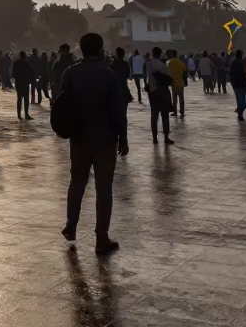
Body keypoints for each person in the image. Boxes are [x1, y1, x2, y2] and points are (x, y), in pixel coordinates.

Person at [61, 33, 129, 253]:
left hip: (79, 138)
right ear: (100, 49)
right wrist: (123, 137)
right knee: (103, 188)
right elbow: (117, 111)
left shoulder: (70, 73)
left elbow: (62, 102)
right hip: (104, 138)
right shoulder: (107, 75)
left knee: (77, 182)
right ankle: (101, 237)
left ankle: (71, 225)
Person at [145, 47, 174, 145]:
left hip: (152, 91)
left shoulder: (148, 65)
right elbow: (170, 80)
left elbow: (147, 79)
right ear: (160, 54)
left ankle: (154, 138)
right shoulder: (163, 66)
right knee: (165, 115)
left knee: (154, 115)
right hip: (162, 90)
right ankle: (166, 138)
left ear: (152, 53)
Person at [12, 51, 35, 120]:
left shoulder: (16, 63)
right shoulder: (27, 63)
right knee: (26, 100)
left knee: (19, 99)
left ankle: (19, 115)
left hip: (19, 83)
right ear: (25, 56)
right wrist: (30, 80)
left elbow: (13, 74)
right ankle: (26, 115)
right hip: (25, 83)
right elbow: (32, 72)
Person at [229, 49, 246, 120]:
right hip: (242, 82)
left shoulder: (233, 61)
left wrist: (232, 82)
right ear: (241, 55)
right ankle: (240, 112)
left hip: (235, 82)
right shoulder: (243, 62)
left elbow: (231, 73)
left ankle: (240, 112)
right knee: (243, 98)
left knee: (238, 98)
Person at [166, 50, 187, 118]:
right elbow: (185, 69)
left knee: (174, 98)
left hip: (172, 83)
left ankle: (175, 112)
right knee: (181, 98)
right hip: (180, 83)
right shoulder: (179, 62)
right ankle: (182, 112)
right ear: (176, 54)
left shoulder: (168, 62)